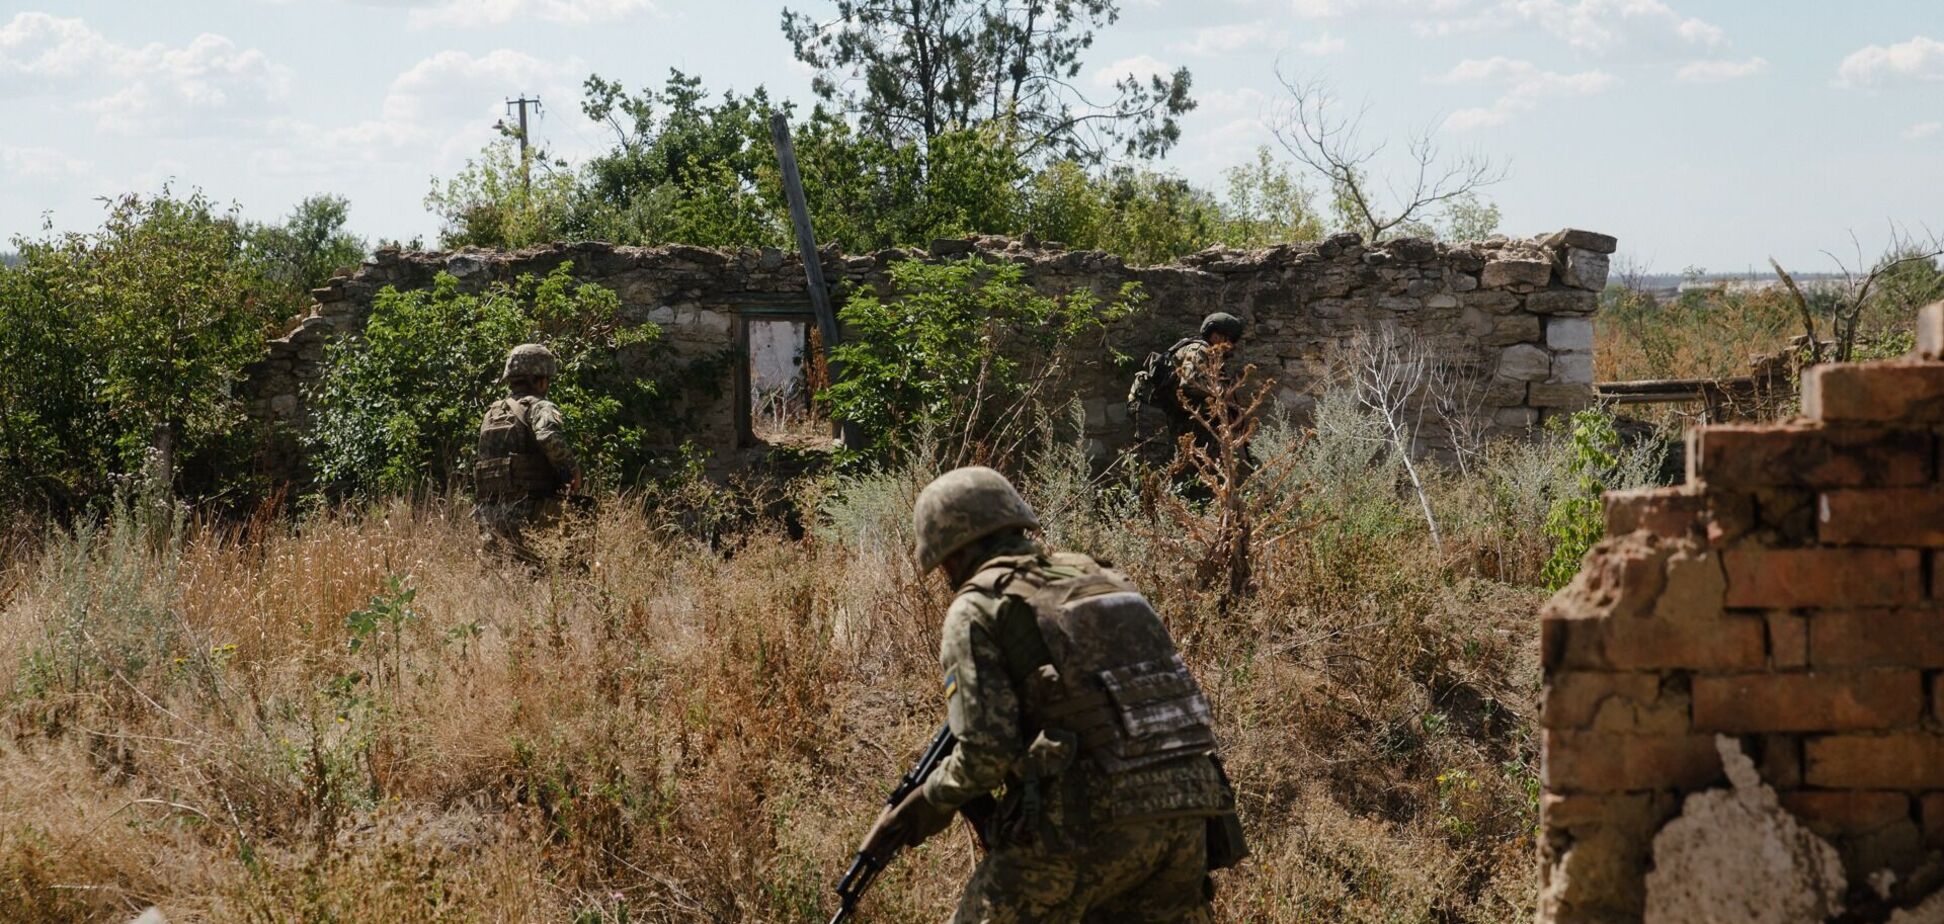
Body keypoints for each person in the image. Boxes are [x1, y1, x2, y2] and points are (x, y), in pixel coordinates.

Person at [859, 466, 1245, 923]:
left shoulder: (977, 607)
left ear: (951, 551)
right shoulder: (1106, 579)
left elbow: (987, 752)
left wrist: (931, 799)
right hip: (1191, 814)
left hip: (1088, 821)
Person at [474, 343, 581, 567]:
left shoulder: (491, 414)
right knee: (541, 574)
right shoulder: (540, 407)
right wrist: (571, 472)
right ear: (539, 379)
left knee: (500, 576)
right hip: (531, 511)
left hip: (490, 513)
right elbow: (549, 436)